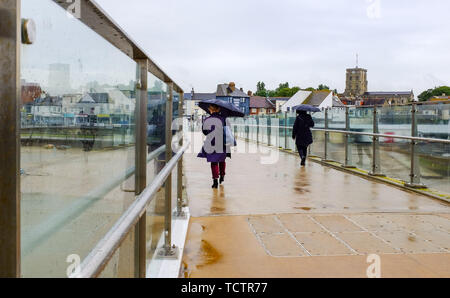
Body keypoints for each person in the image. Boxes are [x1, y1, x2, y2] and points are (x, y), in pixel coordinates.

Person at [197, 104, 234, 189]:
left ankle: (215, 182)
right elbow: (229, 130)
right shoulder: (224, 119)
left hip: (212, 143)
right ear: (218, 109)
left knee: (214, 162)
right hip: (222, 142)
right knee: (222, 160)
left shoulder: (207, 119)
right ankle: (222, 176)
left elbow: (205, 132)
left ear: (211, 110)